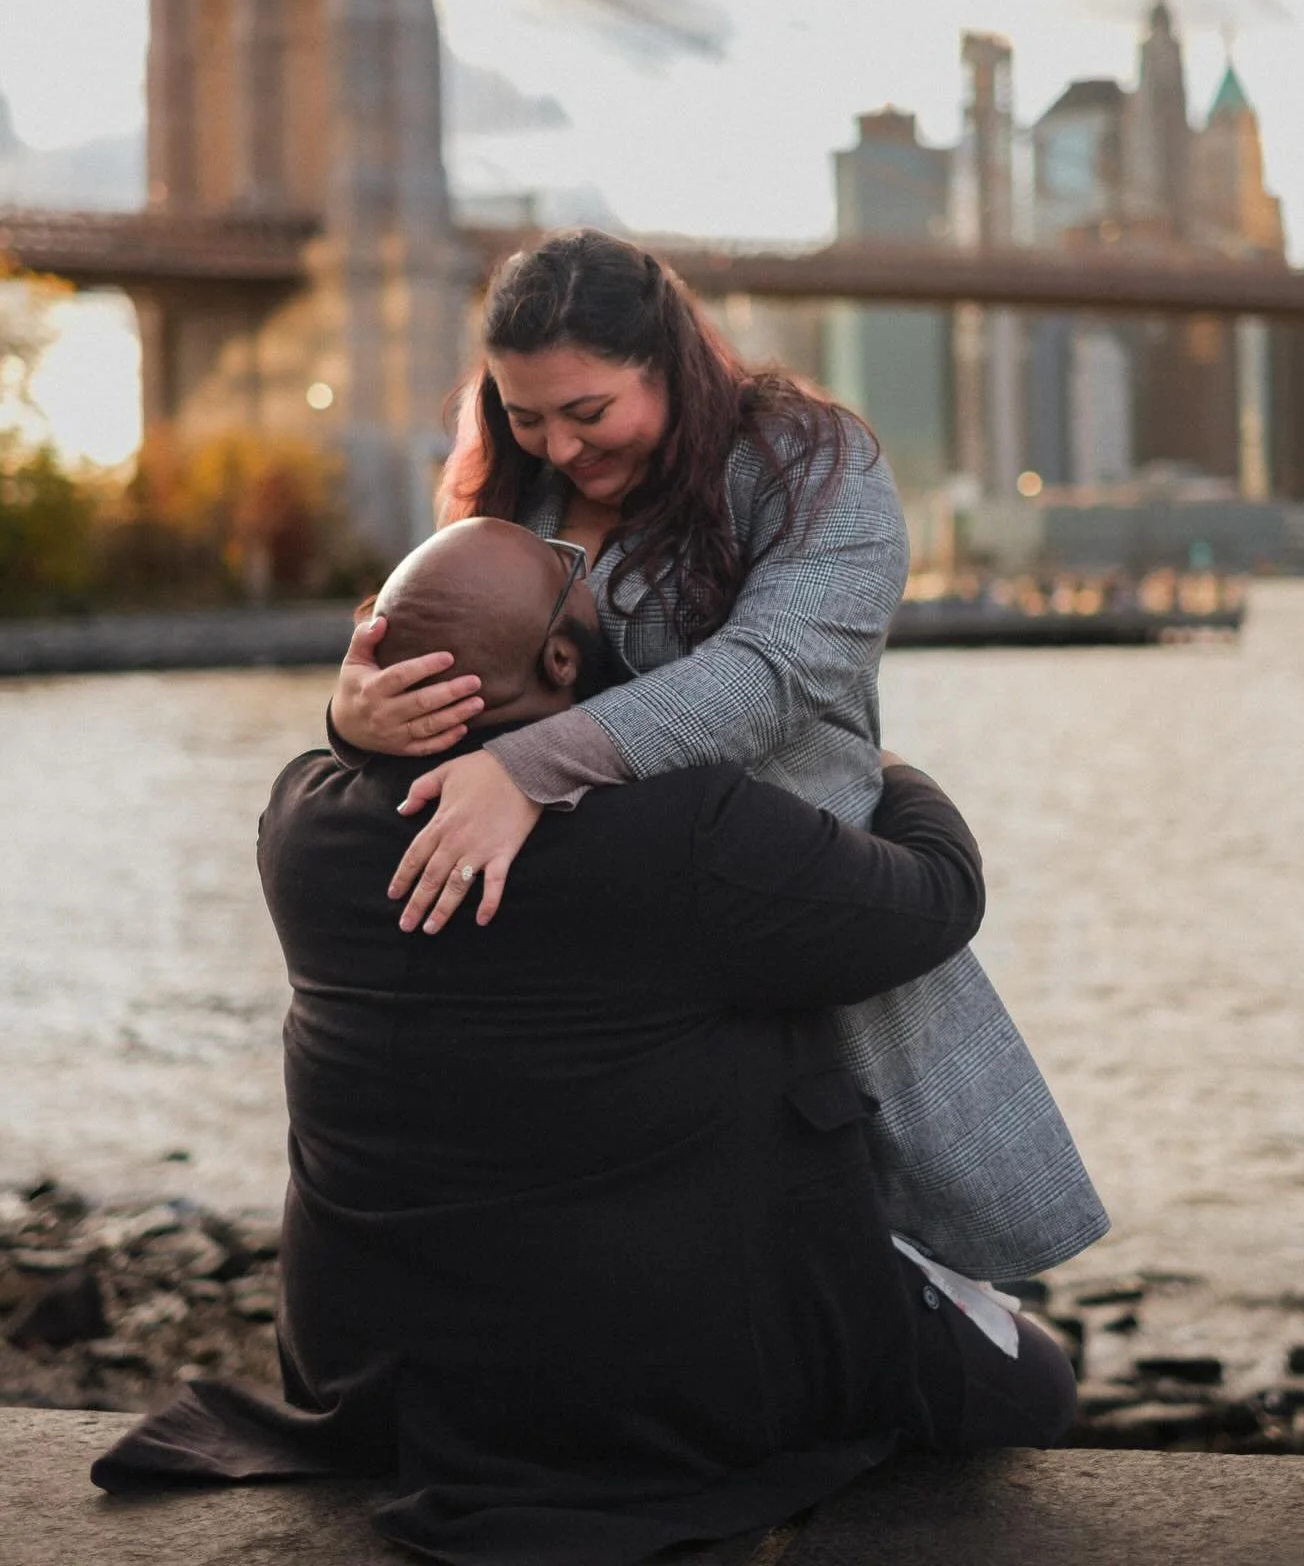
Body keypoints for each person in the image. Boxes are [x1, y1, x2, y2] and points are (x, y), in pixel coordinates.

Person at [91, 518, 1075, 1566]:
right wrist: (883, 766)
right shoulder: (689, 833)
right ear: (563, 660)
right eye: (573, 570)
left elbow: (345, 760)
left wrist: (349, 720)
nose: (590, 567)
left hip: (372, 1377)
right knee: (1038, 1379)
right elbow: (941, 894)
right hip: (666, 1386)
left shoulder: (304, 822)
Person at [331, 229, 1108, 1282]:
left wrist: (529, 768)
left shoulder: (814, 467)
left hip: (801, 908)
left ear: (668, 361)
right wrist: (354, 713)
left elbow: (774, 672)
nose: (558, 448)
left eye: (588, 411)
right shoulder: (512, 488)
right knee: (655, 1262)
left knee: (881, 1253)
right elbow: (445, 646)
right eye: (525, 415)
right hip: (600, 961)